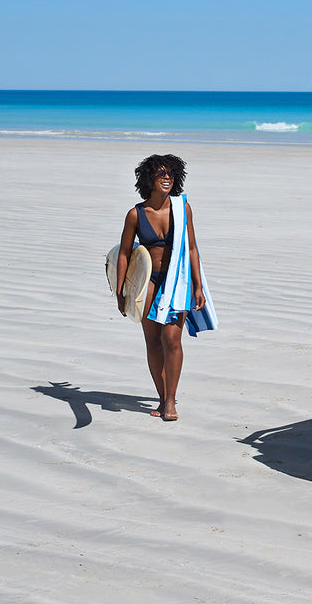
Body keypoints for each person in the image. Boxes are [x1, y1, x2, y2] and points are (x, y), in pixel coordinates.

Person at [114, 154, 216, 422]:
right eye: (161, 174)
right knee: (153, 342)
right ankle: (161, 396)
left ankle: (171, 400)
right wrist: (120, 291)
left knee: (171, 340)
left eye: (171, 173)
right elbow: (124, 253)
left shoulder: (183, 209)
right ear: (149, 178)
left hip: (177, 281)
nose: (167, 178)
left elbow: (192, 248)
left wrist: (198, 286)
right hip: (148, 281)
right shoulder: (135, 214)